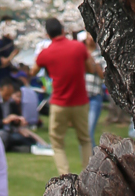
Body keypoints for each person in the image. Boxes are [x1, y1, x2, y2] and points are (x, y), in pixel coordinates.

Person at [35, 18, 93, 178]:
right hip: (80, 101)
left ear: (47, 34)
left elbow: (34, 70)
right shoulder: (78, 47)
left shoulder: (45, 53)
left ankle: (64, 175)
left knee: (57, 142)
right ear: (63, 30)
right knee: (85, 139)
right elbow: (90, 68)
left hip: (59, 103)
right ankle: (88, 174)